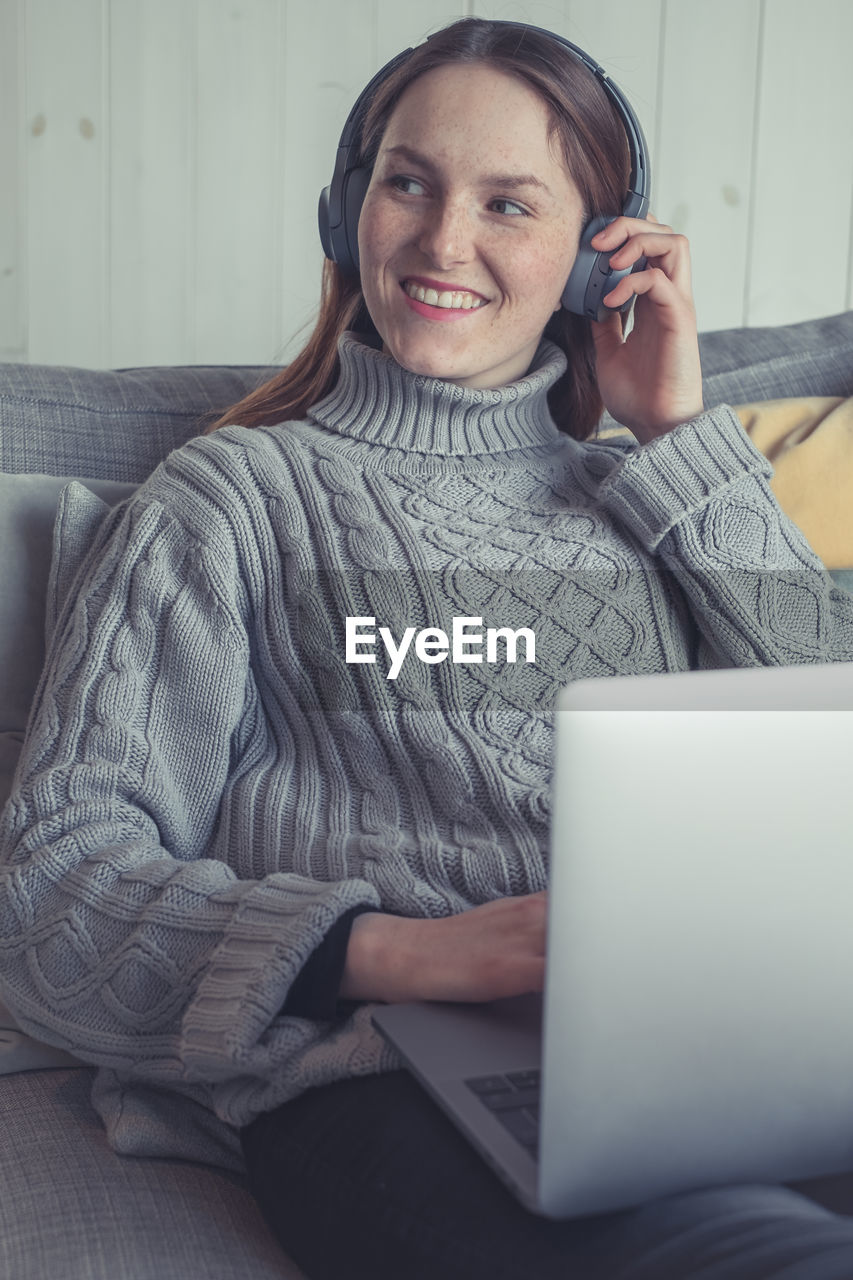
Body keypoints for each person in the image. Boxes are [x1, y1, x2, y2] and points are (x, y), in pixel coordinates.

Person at [2, 16, 853, 1280]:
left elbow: (827, 739)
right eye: (409, 182)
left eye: (509, 203)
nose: (443, 241)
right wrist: (392, 949)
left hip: (702, 1054)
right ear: (348, 210)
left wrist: (679, 440)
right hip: (387, 1084)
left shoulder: (655, 495)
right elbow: (50, 892)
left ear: (594, 258)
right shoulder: (229, 500)